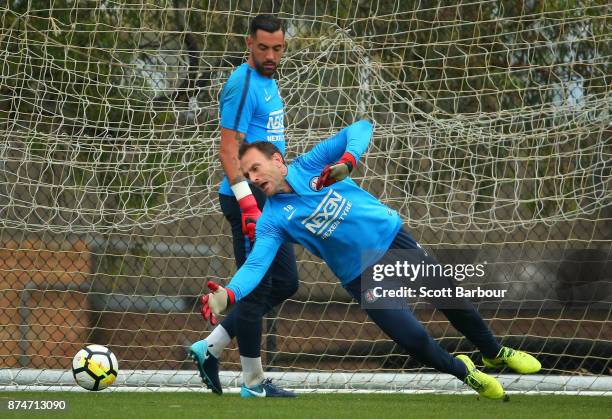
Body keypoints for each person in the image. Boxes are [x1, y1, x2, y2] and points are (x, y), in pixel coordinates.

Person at [200, 120, 542, 399]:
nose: (254, 179)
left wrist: (347, 162)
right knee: (414, 340)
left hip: (393, 242)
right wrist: (228, 294)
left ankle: (495, 352)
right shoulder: (272, 219)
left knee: (453, 301)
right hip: (362, 276)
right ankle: (466, 372)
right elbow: (257, 265)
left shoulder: (311, 165)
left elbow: (361, 127)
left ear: (278, 161)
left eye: (256, 169)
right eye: (247, 176)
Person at [189, 14, 298, 398]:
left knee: (286, 283)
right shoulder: (242, 82)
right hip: (247, 201)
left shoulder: (270, 82)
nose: (271, 55)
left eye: (278, 48)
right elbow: (227, 150)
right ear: (248, 43)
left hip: (270, 199)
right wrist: (248, 203)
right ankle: (253, 383)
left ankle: (211, 347)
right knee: (255, 290)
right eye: (263, 47)